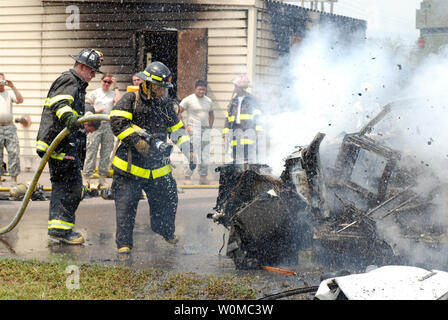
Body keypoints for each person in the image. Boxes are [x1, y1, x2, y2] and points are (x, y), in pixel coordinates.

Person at [109, 61, 193, 254]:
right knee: (126, 207)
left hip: (157, 168)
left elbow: (176, 130)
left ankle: (165, 230)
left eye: (165, 89)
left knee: (169, 197)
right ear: (147, 84)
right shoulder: (131, 99)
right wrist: (136, 141)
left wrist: (188, 149)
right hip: (129, 168)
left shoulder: (165, 104)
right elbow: (117, 122)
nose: (163, 92)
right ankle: (124, 245)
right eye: (160, 88)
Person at [36, 48, 103, 245]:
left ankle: (60, 229)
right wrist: (71, 119)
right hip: (60, 145)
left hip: (66, 144)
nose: (93, 75)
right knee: (69, 188)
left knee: (70, 187)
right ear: (81, 66)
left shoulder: (78, 84)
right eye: (91, 71)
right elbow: (60, 104)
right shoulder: (69, 80)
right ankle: (60, 231)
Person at [83, 73, 121, 186]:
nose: (106, 84)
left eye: (109, 82)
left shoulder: (113, 93)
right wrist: (96, 109)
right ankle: (87, 177)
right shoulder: (95, 93)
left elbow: (118, 102)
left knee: (106, 151)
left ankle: (102, 177)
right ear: (101, 81)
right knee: (91, 150)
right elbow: (86, 106)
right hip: (95, 123)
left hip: (108, 125)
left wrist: (116, 86)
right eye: (105, 81)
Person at [178, 80, 215, 185]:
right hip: (193, 129)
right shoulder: (188, 100)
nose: (201, 91)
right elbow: (178, 113)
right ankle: (188, 177)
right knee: (191, 154)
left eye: (203, 89)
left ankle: (203, 177)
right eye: (199, 89)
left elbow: (212, 115)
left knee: (205, 154)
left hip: (205, 129)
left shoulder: (208, 101)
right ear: (195, 89)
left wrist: (209, 127)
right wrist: (184, 127)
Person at [222, 74, 263, 164]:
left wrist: (258, 132)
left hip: (248, 130)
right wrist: (225, 133)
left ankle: (247, 175)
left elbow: (258, 116)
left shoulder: (251, 99)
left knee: (248, 156)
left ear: (240, 87)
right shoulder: (233, 101)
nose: (234, 89)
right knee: (236, 156)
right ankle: (238, 175)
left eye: (235, 86)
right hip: (235, 131)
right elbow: (228, 118)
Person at [0, 73, 24, 187]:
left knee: (14, 152)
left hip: (9, 127)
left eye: (2, 81)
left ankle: (13, 180)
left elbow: (20, 100)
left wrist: (12, 86)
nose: (1, 83)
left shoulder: (9, 93)